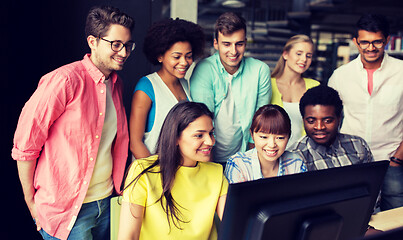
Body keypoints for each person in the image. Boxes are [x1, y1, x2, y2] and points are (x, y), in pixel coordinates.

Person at [11, 6, 133, 240]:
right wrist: (30, 201)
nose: (124, 52)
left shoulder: (116, 84)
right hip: (68, 211)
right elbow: (25, 145)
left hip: (107, 203)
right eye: (116, 44)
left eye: (128, 45)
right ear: (92, 41)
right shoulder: (64, 80)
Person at [118, 102, 228, 240]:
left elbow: (235, 225)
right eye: (199, 135)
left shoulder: (216, 173)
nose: (210, 141)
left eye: (211, 133)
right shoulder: (143, 172)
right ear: (175, 137)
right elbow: (129, 236)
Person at [328, 14, 403, 211]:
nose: (371, 48)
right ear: (356, 42)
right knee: (354, 217)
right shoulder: (341, 76)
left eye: (377, 41)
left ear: (387, 40)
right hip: (352, 162)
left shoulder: (401, 72)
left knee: (396, 220)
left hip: (391, 160)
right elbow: (330, 119)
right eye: (365, 42)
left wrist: (398, 159)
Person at [190, 12, 271, 165]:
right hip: (208, 155)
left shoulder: (260, 70)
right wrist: (211, 168)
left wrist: (249, 164)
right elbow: (201, 121)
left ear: (245, 43)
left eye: (239, 44)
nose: (233, 51)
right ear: (216, 43)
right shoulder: (204, 69)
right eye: (226, 44)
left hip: (245, 156)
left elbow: (260, 123)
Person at [130, 18, 205, 159]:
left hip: (179, 173)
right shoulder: (146, 88)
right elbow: (135, 143)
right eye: (177, 57)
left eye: (188, 56)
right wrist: (156, 175)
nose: (184, 62)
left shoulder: (186, 85)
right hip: (152, 174)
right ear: (160, 56)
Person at [291, 85, 374, 171]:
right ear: (303, 120)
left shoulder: (358, 145)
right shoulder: (294, 157)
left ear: (339, 118)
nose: (319, 127)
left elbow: (371, 181)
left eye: (328, 121)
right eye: (311, 121)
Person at [225, 104, 307, 184]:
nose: (272, 145)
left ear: (288, 137)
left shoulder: (296, 162)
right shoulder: (238, 165)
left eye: (280, 138)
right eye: (264, 137)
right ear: (252, 135)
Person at [270, 35, 320, 148]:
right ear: (285, 54)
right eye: (299, 53)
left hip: (306, 155)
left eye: (309, 56)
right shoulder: (268, 85)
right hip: (273, 154)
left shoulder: (315, 86)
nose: (304, 59)